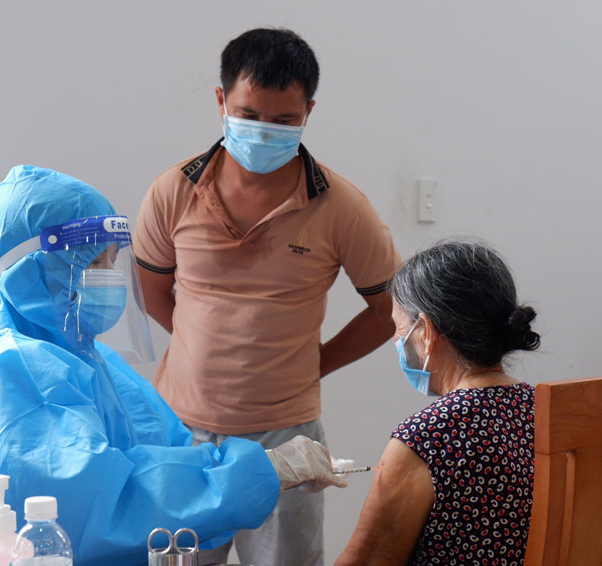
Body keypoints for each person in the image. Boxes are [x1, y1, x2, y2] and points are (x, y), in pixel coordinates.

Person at [0, 165, 346, 566]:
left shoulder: (96, 362)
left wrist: (263, 470)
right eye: (94, 264)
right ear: (33, 274)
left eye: (113, 261)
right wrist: (260, 470)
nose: (110, 276)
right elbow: (99, 511)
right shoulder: (5, 378)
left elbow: (171, 456)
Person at [133, 27, 401, 566]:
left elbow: (389, 310)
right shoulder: (172, 191)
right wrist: (199, 348)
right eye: (249, 115)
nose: (263, 132)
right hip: (181, 433)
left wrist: (314, 364)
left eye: (283, 121)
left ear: (309, 113)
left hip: (288, 439)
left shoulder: (342, 206)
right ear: (221, 101)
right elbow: (151, 290)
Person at [335, 240, 539, 566]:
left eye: (400, 328)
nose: (398, 341)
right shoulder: (546, 411)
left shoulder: (427, 437)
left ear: (427, 331)